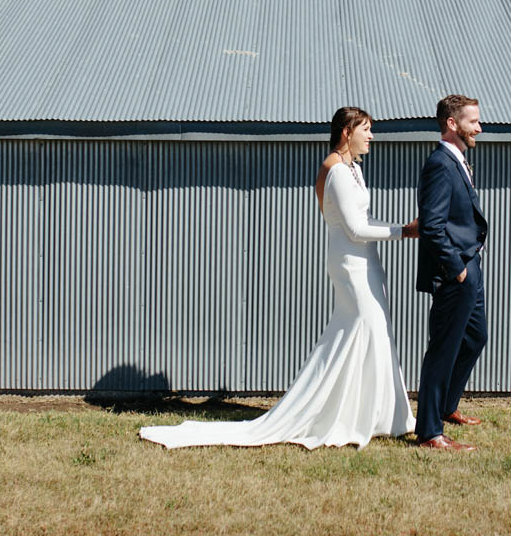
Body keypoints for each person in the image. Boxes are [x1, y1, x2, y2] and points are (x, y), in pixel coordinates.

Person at [139, 106, 420, 449]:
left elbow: (366, 217)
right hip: (351, 265)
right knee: (360, 330)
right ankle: (342, 414)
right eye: (366, 129)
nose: (372, 136)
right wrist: (403, 231)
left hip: (366, 263)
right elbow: (354, 228)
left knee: (371, 334)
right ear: (347, 132)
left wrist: (397, 229)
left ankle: (373, 414)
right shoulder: (336, 172)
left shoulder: (352, 170)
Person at [414, 94, 488, 452]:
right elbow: (432, 226)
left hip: (470, 265)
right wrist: (456, 268)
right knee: (442, 350)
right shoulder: (441, 164)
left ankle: (446, 406)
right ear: (452, 124)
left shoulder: (458, 160)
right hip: (455, 270)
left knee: (475, 338)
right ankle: (429, 430)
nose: (479, 127)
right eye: (473, 121)